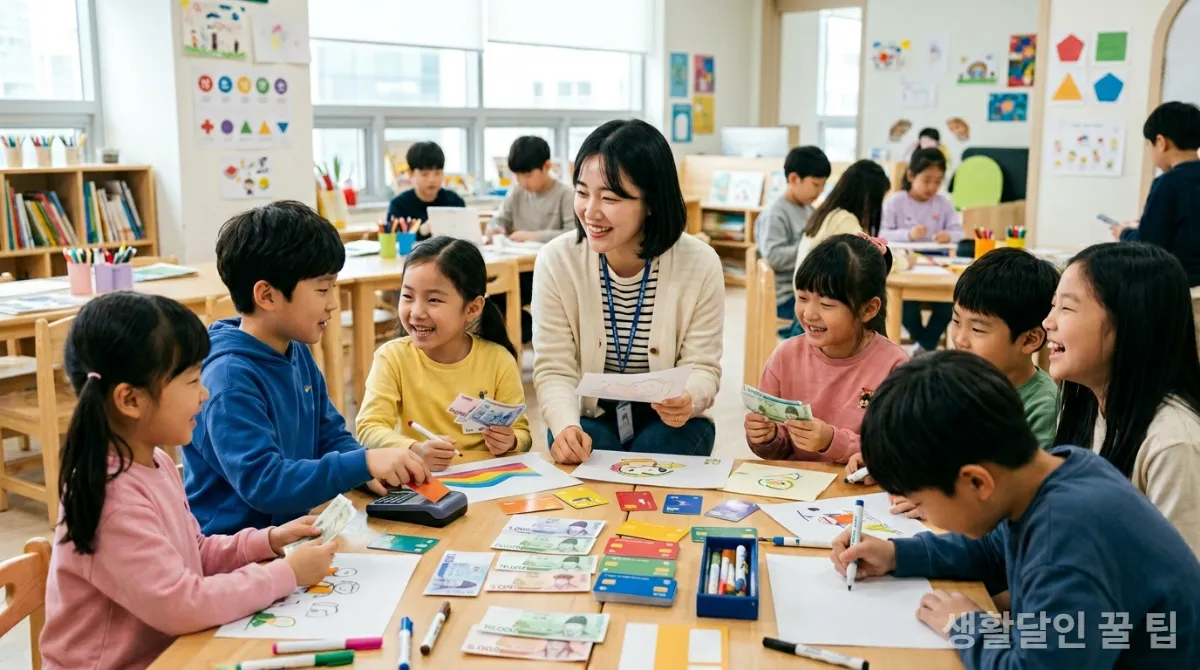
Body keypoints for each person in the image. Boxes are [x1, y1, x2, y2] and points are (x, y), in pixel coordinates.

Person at [832, 351, 1200, 668]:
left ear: (977, 482)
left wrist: (969, 627)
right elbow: (994, 548)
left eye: (925, 503)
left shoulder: (1066, 542)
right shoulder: (1056, 471)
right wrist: (897, 553)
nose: (926, 512)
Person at [40, 293, 338, 670]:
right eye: (193, 380)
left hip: (175, 653)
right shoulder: (111, 499)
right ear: (130, 400)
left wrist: (267, 542)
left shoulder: (155, 462)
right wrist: (287, 575)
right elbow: (182, 604)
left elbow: (192, 552)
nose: (205, 393)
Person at [185, 201, 429, 535]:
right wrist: (363, 462)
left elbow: (328, 434)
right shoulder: (228, 379)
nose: (332, 303)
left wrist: (365, 467)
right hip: (236, 552)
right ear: (267, 296)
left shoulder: (293, 347)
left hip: (290, 533)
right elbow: (265, 484)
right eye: (322, 289)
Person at [532, 119, 724, 462]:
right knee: (588, 447)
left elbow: (703, 366)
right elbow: (554, 367)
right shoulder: (556, 260)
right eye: (581, 192)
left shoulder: (700, 262)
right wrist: (564, 426)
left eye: (609, 197)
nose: (590, 211)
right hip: (593, 414)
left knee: (659, 452)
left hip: (670, 417)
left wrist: (689, 399)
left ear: (650, 202)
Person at [1047, 242, 1200, 553]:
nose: (1048, 322)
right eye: (1053, 306)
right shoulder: (1086, 404)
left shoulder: (1174, 443)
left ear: (1129, 322)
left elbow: (1180, 589)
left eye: (1066, 308)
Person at [356, 236, 531, 467]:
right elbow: (368, 428)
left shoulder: (498, 360)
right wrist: (414, 450)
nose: (416, 312)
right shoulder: (392, 358)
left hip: (488, 478)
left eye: (434, 300)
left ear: (473, 308)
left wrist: (510, 441)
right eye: (407, 296)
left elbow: (522, 432)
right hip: (421, 476)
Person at [746, 234, 908, 464]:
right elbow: (777, 450)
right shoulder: (786, 356)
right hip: (795, 486)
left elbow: (897, 451)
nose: (809, 313)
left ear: (868, 309)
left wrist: (831, 440)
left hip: (858, 492)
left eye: (826, 305)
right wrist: (767, 437)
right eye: (802, 297)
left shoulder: (895, 367)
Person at [1114, 101, 1200, 350]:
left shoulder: (1168, 184)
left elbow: (1148, 246)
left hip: (1186, 292)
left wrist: (1125, 233)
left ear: (1161, 142)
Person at [881, 148, 963, 356]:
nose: (932, 187)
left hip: (938, 264)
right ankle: (927, 345)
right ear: (911, 176)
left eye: (938, 181)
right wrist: (909, 235)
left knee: (948, 304)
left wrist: (948, 235)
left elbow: (958, 231)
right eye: (927, 180)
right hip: (905, 263)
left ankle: (923, 347)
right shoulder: (895, 201)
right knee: (906, 307)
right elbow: (883, 233)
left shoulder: (943, 203)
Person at [755, 145, 831, 338]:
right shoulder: (775, 214)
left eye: (823, 185)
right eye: (815, 184)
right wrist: (809, 250)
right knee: (834, 317)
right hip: (786, 296)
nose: (820, 191)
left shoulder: (809, 209)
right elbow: (773, 257)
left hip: (806, 291)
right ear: (794, 179)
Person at [793, 160, 890, 272]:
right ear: (868, 197)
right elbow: (868, 261)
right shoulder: (844, 220)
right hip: (817, 288)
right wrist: (904, 260)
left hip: (808, 287)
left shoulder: (828, 212)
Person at [485, 135, 575, 243]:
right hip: (518, 256)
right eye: (517, 175)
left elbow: (573, 234)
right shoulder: (516, 192)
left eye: (528, 175)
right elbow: (500, 219)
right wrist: (494, 228)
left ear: (547, 166)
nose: (522, 182)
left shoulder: (566, 195)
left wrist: (534, 237)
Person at [386, 141, 466, 236]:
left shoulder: (455, 201)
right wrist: (420, 231)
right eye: (425, 174)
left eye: (437, 173)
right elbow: (394, 239)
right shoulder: (399, 205)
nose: (432, 180)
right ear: (411, 173)